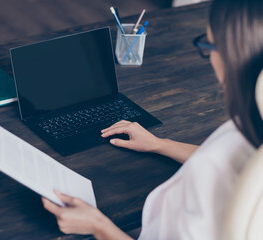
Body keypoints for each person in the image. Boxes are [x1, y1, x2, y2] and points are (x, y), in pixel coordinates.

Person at [42, 0, 263, 239]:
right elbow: (240, 162)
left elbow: (222, 166)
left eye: (208, 45)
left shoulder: (211, 174)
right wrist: (159, 144)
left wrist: (98, 226)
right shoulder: (251, 126)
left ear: (230, 54)